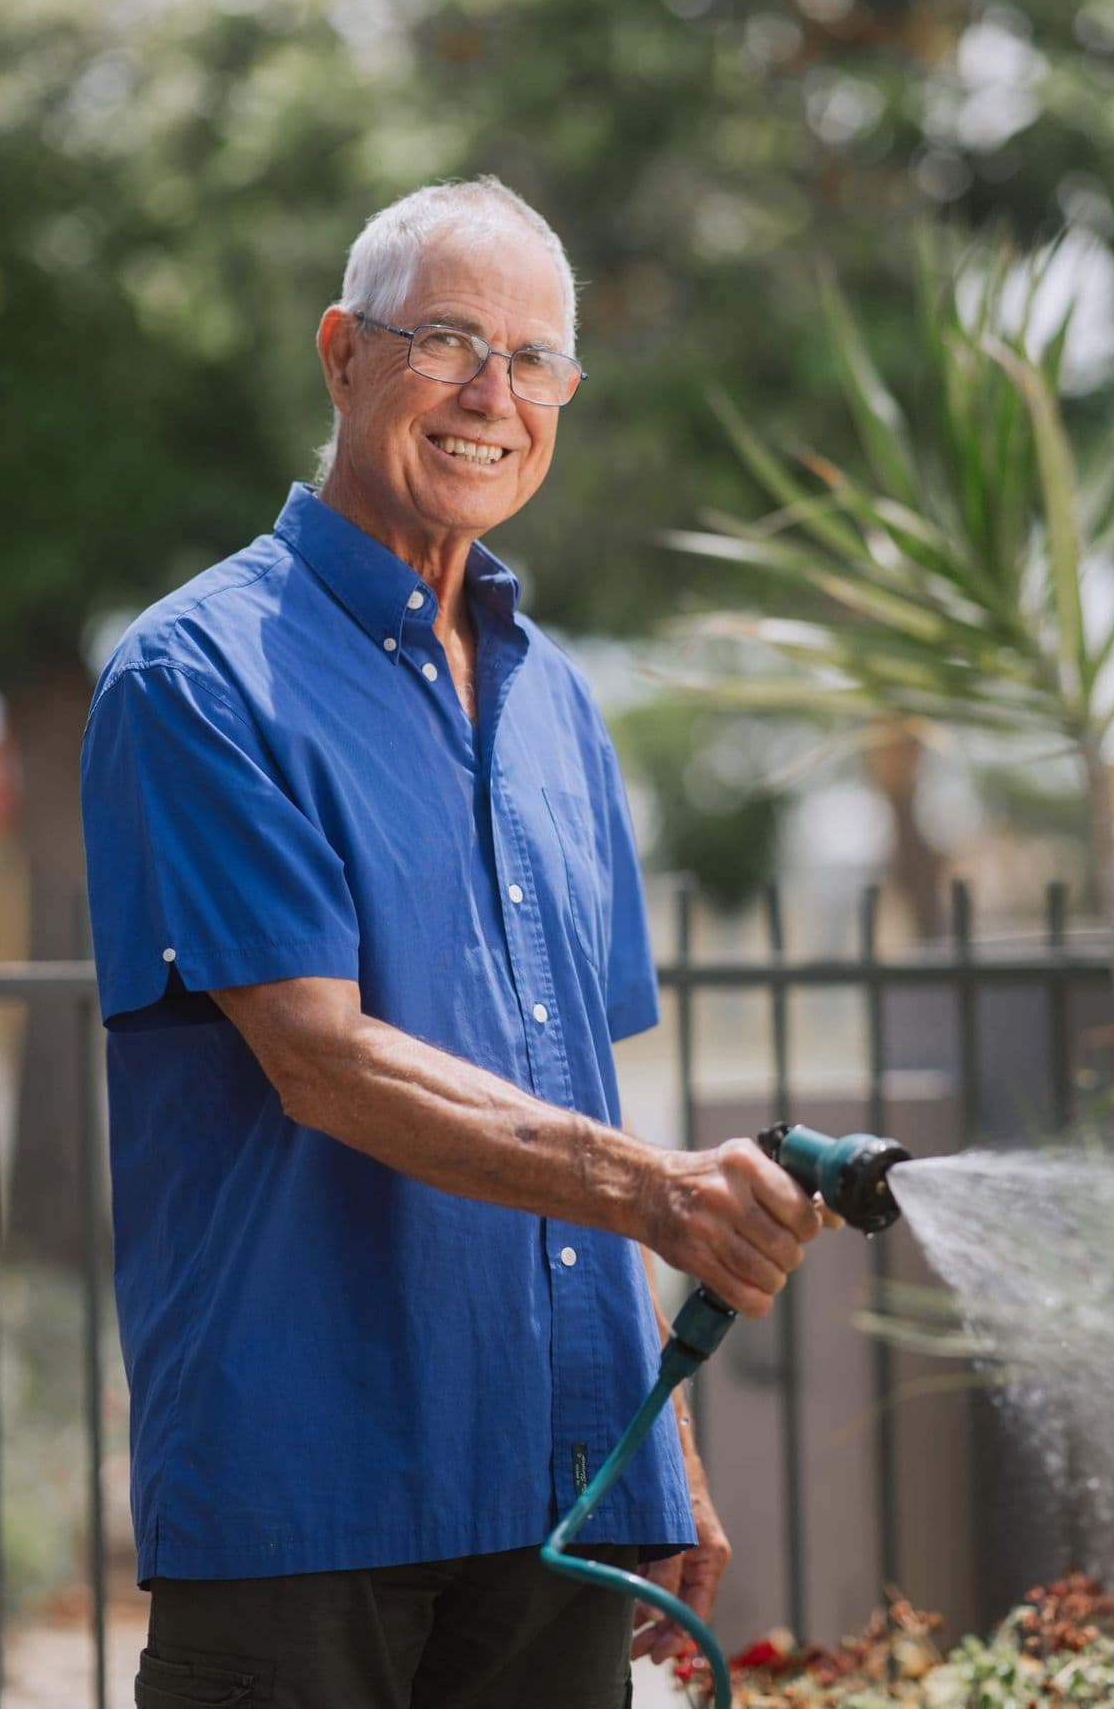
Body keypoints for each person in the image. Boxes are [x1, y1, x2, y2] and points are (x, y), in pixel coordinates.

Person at [81, 176, 831, 1709]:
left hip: (557, 1497)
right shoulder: (197, 679)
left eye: (536, 360)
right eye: (447, 342)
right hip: (305, 1495)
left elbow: (582, 1098)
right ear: (343, 352)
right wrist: (667, 1196)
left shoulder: (555, 701)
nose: (495, 396)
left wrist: (657, 1440)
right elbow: (323, 1062)